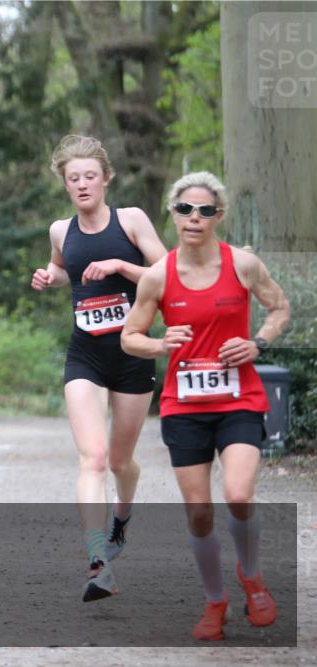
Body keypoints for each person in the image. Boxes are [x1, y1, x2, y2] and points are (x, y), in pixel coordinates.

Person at [121, 171, 289, 640]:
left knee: (238, 494)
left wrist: (258, 342)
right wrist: (159, 345)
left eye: (206, 211)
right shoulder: (158, 275)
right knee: (199, 510)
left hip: (239, 398)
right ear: (173, 214)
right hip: (185, 405)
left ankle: (251, 576)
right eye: (185, 209)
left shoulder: (244, 264)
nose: (195, 218)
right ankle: (215, 602)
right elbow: (128, 337)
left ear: (219, 216)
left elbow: (279, 307)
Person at [31, 135, 167, 601]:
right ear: (65, 184)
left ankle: (121, 520)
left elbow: (168, 271)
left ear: (106, 178)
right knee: (91, 458)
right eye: (74, 178)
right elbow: (65, 268)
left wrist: (119, 266)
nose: (83, 184)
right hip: (84, 353)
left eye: (91, 176)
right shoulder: (58, 231)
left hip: (132, 353)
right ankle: (96, 559)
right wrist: (51, 277)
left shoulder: (130, 220)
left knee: (120, 461)